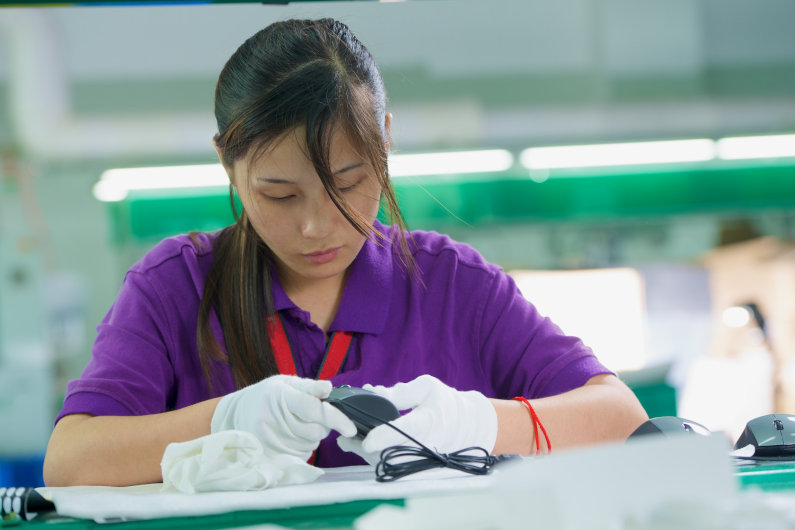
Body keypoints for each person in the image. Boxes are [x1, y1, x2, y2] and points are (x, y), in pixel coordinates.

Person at [43, 18, 648, 487]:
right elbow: (70, 462)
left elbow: (621, 418)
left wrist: (482, 424)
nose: (315, 227)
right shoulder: (175, 286)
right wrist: (221, 422)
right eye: (279, 195)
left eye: (348, 184)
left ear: (385, 140)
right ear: (227, 162)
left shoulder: (454, 285)